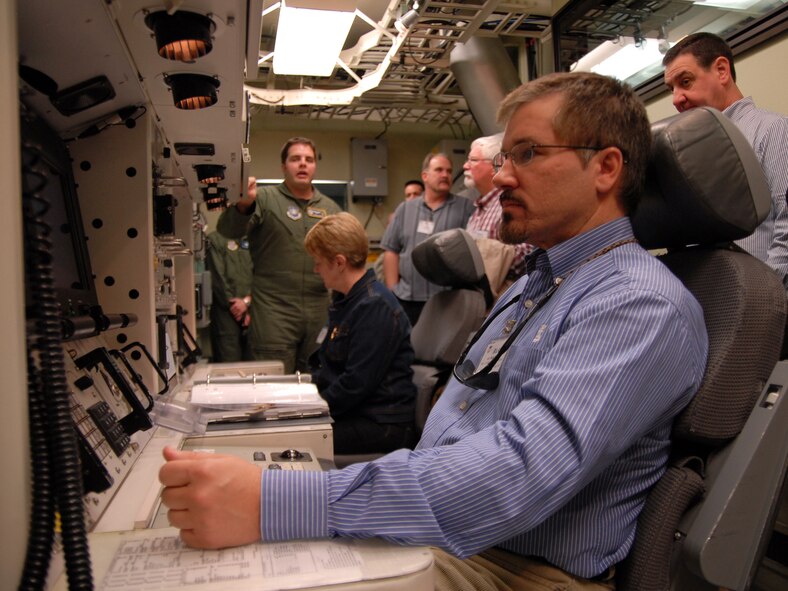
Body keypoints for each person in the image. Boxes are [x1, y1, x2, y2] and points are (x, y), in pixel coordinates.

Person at [159, 72, 708, 590]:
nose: (504, 175)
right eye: (506, 155)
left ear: (606, 168)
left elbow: (516, 474)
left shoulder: (637, 302)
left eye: (528, 154)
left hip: (515, 570)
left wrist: (274, 502)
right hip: (458, 536)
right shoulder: (534, 283)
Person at [663, 32, 788, 286]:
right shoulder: (691, 152)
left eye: (685, 82)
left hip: (763, 307)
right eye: (672, 89)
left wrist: (767, 299)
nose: (676, 99)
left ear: (721, 70)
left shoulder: (774, 130)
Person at [216, 137, 342, 373]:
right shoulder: (264, 199)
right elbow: (228, 230)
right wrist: (243, 206)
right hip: (274, 310)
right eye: (295, 159)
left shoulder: (331, 208)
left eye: (309, 160)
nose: (303, 164)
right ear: (283, 166)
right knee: (274, 380)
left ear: (315, 166)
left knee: (315, 377)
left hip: (318, 308)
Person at [304, 212, 418, 455]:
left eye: (318, 262)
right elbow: (329, 371)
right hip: (356, 413)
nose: (316, 270)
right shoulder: (348, 301)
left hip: (380, 425)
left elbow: (355, 385)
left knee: (292, 438)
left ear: (338, 262)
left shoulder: (374, 306)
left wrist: (308, 411)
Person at [381, 153, 475, 326]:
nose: (445, 175)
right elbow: (391, 250)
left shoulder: (466, 208)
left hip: (448, 300)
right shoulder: (405, 209)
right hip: (407, 300)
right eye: (439, 170)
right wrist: (392, 290)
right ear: (425, 176)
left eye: (448, 171)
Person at [463, 133, 534, 295]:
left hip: (504, 298)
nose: (465, 166)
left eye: (472, 160)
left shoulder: (507, 206)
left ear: (494, 166)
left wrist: (486, 253)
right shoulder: (478, 209)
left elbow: (528, 253)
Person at [204, 231, 253, 362]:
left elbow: (266, 274)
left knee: (258, 369)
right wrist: (237, 306)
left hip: (255, 312)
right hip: (226, 315)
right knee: (229, 367)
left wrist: (248, 302)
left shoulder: (259, 239)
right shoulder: (215, 240)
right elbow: (217, 279)